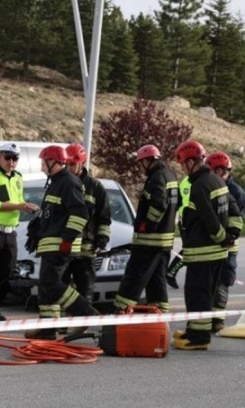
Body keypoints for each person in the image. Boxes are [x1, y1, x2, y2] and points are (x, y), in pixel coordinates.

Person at [24, 145, 98, 340]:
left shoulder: (68, 182)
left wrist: (67, 239)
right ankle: (48, 330)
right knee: (46, 287)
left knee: (51, 284)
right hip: (50, 244)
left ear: (55, 162)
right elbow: (53, 215)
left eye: (43, 163)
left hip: (60, 245)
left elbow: (80, 214)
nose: (41, 167)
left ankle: (87, 314)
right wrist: (37, 230)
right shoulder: (56, 182)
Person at [172, 140, 239, 350]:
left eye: (183, 164)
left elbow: (210, 220)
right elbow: (235, 212)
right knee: (205, 294)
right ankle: (195, 331)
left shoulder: (200, 187)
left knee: (197, 295)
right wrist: (232, 235)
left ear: (192, 162)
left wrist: (222, 238)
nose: (182, 168)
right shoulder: (217, 181)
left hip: (203, 253)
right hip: (216, 254)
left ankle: (199, 339)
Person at [0, 143, 39, 322]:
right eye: (8, 158)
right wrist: (20, 206)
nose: (11, 162)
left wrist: (26, 205)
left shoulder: (18, 177)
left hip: (10, 231)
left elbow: (18, 199)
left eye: (15, 158)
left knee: (7, 269)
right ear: (0, 157)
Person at [112, 144, 178, 315]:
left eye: (141, 162)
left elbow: (159, 205)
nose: (140, 167)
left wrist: (147, 224)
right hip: (164, 242)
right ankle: (159, 313)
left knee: (134, 276)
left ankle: (121, 310)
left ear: (148, 161)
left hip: (149, 241)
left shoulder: (157, 178)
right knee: (157, 281)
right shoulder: (170, 176)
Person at [61, 143, 111, 335]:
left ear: (81, 164)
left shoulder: (95, 187)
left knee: (85, 286)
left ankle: (82, 322)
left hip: (86, 247)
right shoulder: (62, 183)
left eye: (71, 165)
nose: (68, 169)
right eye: (65, 165)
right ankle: (60, 323)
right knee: (62, 285)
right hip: (65, 245)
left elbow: (104, 217)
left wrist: (102, 239)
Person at [206, 151, 245, 333]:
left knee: (223, 282)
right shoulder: (206, 187)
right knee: (207, 283)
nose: (218, 175)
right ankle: (206, 318)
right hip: (208, 244)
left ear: (227, 171)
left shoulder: (237, 193)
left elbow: (236, 221)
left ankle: (217, 320)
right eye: (215, 171)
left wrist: (226, 237)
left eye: (221, 171)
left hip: (228, 246)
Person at [165, 174, 191, 289]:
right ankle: (171, 272)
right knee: (189, 251)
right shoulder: (194, 181)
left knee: (189, 250)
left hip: (185, 219)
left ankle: (171, 273)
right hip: (189, 221)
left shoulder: (185, 180)